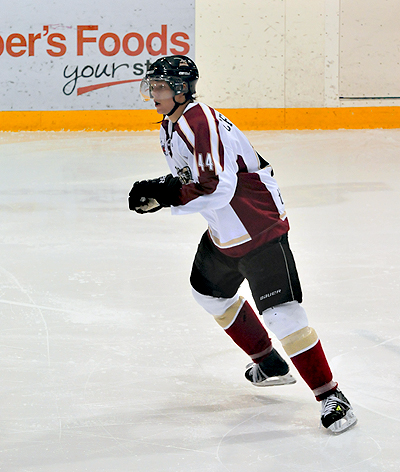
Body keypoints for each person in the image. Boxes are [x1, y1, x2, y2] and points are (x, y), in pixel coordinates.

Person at [128, 55, 357, 434]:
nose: (153, 94)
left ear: (182, 90)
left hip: (258, 226)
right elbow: (197, 178)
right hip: (226, 230)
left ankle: (331, 396)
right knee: (209, 293)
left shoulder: (198, 123)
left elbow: (219, 188)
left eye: (160, 87)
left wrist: (168, 196)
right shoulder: (173, 124)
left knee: (282, 313)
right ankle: (269, 363)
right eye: (151, 87)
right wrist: (166, 189)